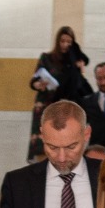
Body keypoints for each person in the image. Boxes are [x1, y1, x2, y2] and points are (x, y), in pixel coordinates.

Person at [29, 26, 91, 160]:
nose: (65, 44)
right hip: (46, 103)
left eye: (69, 42)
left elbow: (79, 86)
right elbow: (34, 80)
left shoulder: (74, 61)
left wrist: (80, 69)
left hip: (65, 107)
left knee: (64, 144)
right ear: (57, 41)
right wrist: (38, 84)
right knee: (44, 143)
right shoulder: (46, 58)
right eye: (62, 41)